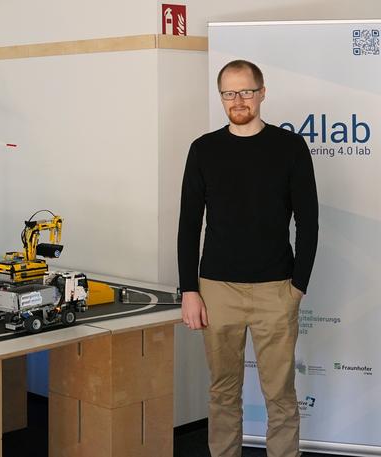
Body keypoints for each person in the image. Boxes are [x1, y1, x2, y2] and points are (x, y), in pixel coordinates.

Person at [177, 59, 318, 457]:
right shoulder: (203, 149)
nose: (238, 100)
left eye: (246, 91)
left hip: (277, 289)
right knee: (222, 392)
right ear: (221, 96)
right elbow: (188, 225)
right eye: (229, 93)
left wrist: (298, 286)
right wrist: (189, 289)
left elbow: (309, 223)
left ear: (262, 92)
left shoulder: (290, 148)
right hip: (216, 290)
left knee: (280, 394)